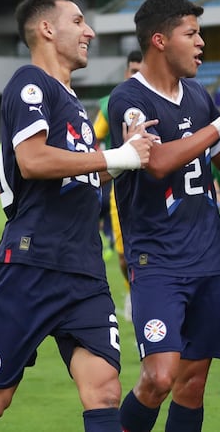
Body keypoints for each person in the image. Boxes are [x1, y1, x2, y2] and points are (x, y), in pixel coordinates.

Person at [0, 0, 154, 432]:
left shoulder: (73, 103)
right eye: (78, 21)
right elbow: (33, 160)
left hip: (83, 268)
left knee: (104, 390)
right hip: (32, 263)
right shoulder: (30, 82)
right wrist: (117, 157)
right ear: (46, 28)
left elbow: (84, 173)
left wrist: (130, 156)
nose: (90, 31)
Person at [107, 0, 220, 432]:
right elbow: (154, 161)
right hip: (157, 259)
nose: (201, 44)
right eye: (192, 34)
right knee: (159, 377)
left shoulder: (197, 95)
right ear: (159, 40)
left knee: (192, 383)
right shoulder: (128, 98)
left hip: (209, 256)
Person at [93, 49, 143, 322]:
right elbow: (91, 138)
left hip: (153, 188)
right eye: (133, 70)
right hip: (120, 189)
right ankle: (130, 290)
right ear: (126, 72)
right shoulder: (109, 103)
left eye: (141, 70)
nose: (137, 75)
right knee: (124, 258)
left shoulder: (155, 97)